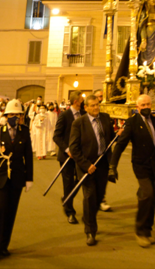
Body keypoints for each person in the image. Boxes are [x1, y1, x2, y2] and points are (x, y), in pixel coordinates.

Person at [109, 94, 155, 248]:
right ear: (137, 108)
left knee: (152, 199)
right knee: (148, 194)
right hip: (141, 165)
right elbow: (120, 145)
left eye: (148, 105)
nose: (146, 107)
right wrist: (113, 165)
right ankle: (139, 231)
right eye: (143, 105)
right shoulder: (132, 122)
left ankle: (148, 230)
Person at [0, 99, 33, 263]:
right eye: (12, 114)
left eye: (18, 115)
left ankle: (4, 246)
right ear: (6, 115)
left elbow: (28, 157)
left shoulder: (24, 132)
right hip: (0, 178)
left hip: (17, 178)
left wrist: (29, 178)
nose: (15, 117)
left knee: (11, 213)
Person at [69, 95, 115, 246]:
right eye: (92, 105)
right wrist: (85, 164)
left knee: (98, 196)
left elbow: (111, 139)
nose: (96, 108)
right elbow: (74, 149)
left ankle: (88, 217)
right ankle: (90, 231)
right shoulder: (78, 123)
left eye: (97, 105)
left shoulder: (106, 118)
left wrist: (119, 135)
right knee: (89, 196)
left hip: (102, 165)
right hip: (86, 167)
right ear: (86, 108)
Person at [53, 92, 85, 224]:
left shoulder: (84, 114)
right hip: (66, 157)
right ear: (76, 101)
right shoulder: (65, 115)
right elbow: (56, 136)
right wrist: (67, 150)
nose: (83, 102)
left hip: (80, 156)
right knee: (67, 184)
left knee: (80, 180)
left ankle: (66, 197)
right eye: (81, 100)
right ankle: (70, 212)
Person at [93, 88, 112, 212]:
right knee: (90, 181)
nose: (101, 99)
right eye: (98, 97)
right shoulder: (85, 117)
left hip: (104, 153)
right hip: (90, 154)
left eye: (102, 96)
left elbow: (110, 134)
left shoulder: (105, 115)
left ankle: (101, 199)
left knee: (103, 179)